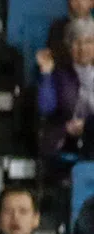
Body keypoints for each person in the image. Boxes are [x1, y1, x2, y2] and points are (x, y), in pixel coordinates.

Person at [38, 18, 94, 159]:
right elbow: (46, 107)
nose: (82, 48)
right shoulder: (59, 75)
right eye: (76, 42)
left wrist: (86, 126)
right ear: (69, 47)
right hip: (63, 146)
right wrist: (46, 74)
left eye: (88, 42)